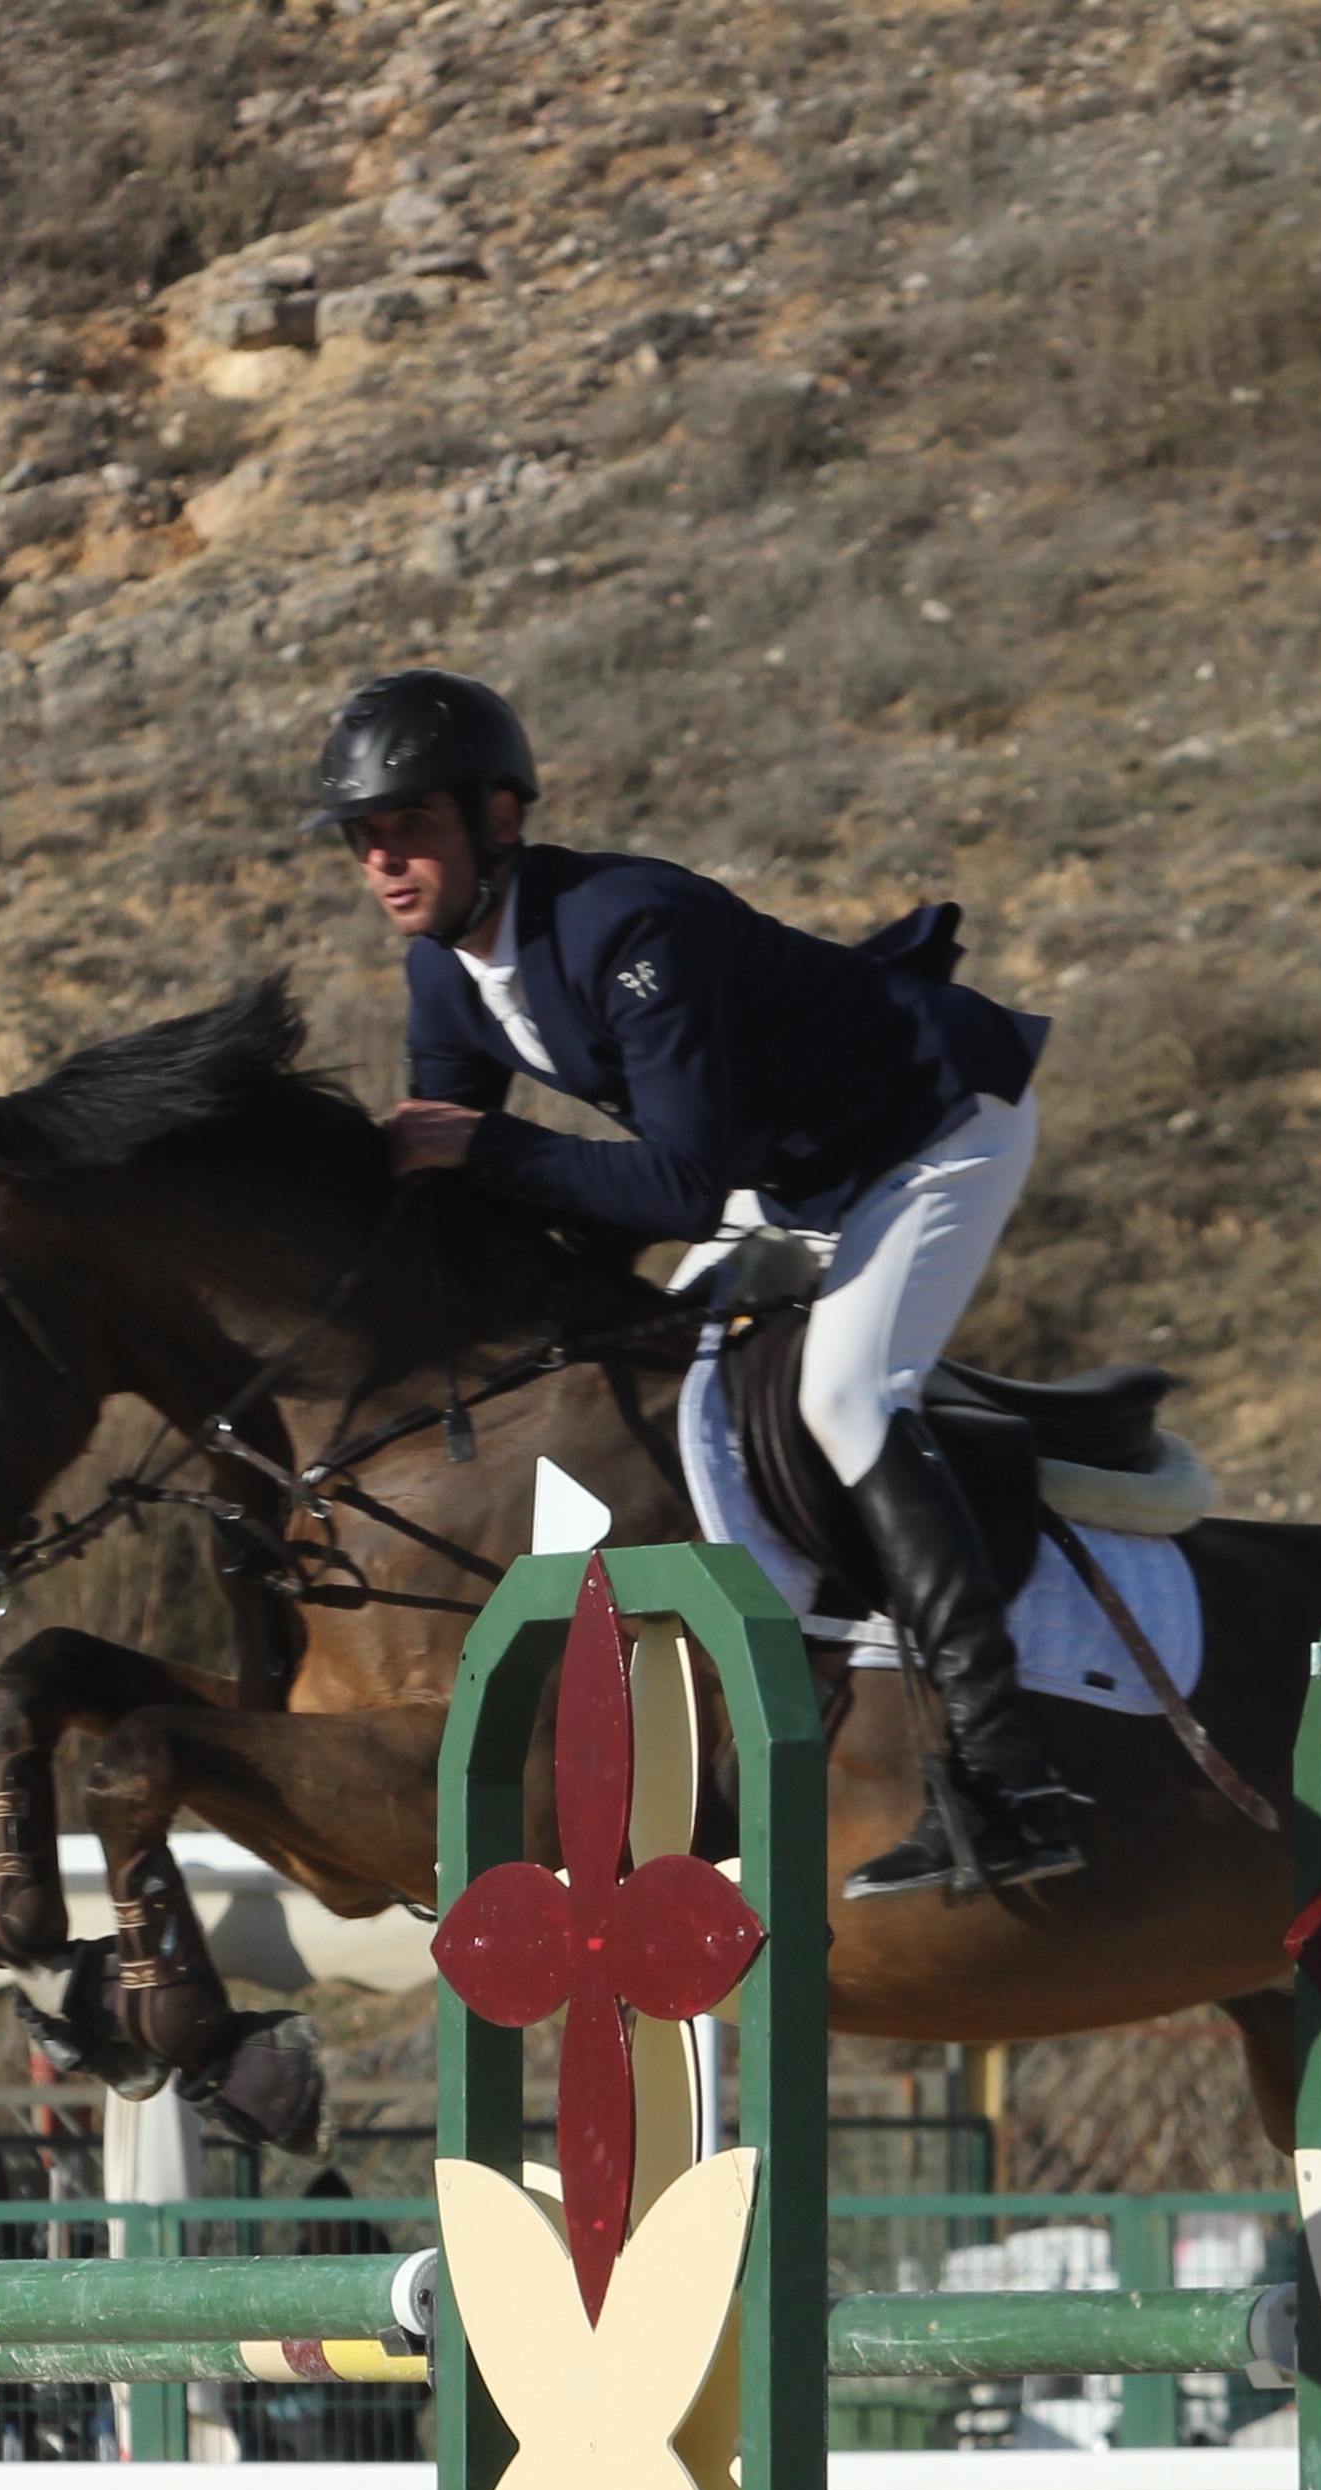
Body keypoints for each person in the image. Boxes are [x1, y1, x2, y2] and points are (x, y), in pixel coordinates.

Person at [317, 667, 1076, 1898]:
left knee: (845, 1399)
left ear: (497, 819)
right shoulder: (442, 975)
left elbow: (675, 1185)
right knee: (667, 1384)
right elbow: (445, 1179)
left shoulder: (628, 929)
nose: (385, 862)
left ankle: (1009, 1780)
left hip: (937, 1132)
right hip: (794, 1177)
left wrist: (490, 1150)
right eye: (365, 839)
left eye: (411, 827)